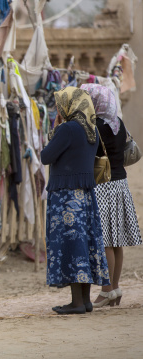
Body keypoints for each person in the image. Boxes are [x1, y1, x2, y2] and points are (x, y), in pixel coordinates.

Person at [41, 86, 110, 315]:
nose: (58, 109)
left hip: (66, 196)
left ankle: (76, 303)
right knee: (85, 245)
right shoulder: (91, 129)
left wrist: (56, 128)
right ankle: (86, 301)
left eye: (61, 105)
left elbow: (46, 156)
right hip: (86, 198)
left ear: (69, 106)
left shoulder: (68, 129)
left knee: (71, 246)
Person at [80, 83, 142, 308]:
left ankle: (106, 291)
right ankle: (115, 288)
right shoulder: (118, 122)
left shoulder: (95, 126)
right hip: (120, 184)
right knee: (116, 240)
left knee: (106, 239)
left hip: (103, 186)